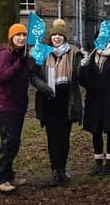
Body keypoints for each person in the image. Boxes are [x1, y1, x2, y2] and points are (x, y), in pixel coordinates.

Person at [30, 19, 83, 186]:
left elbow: (80, 74)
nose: (57, 38)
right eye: (55, 35)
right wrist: (43, 86)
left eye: (60, 35)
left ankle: (62, 170)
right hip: (49, 99)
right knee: (52, 138)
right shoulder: (42, 53)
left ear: (65, 37)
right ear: (50, 37)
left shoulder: (73, 52)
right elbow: (33, 75)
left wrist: (84, 63)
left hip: (67, 100)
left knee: (64, 138)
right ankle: (55, 170)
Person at [78, 29, 110, 175]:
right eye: (100, 36)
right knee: (96, 131)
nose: (103, 38)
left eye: (107, 36)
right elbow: (82, 81)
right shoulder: (92, 54)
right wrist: (82, 67)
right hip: (94, 99)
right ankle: (98, 162)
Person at [0, 23, 30, 193]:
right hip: (3, 105)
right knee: (10, 141)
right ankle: (1, 179)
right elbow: (1, 76)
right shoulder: (5, 54)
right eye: (18, 35)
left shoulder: (21, 55)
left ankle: (9, 176)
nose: (21, 38)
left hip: (17, 105)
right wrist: (19, 64)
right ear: (11, 37)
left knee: (12, 142)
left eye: (23, 35)